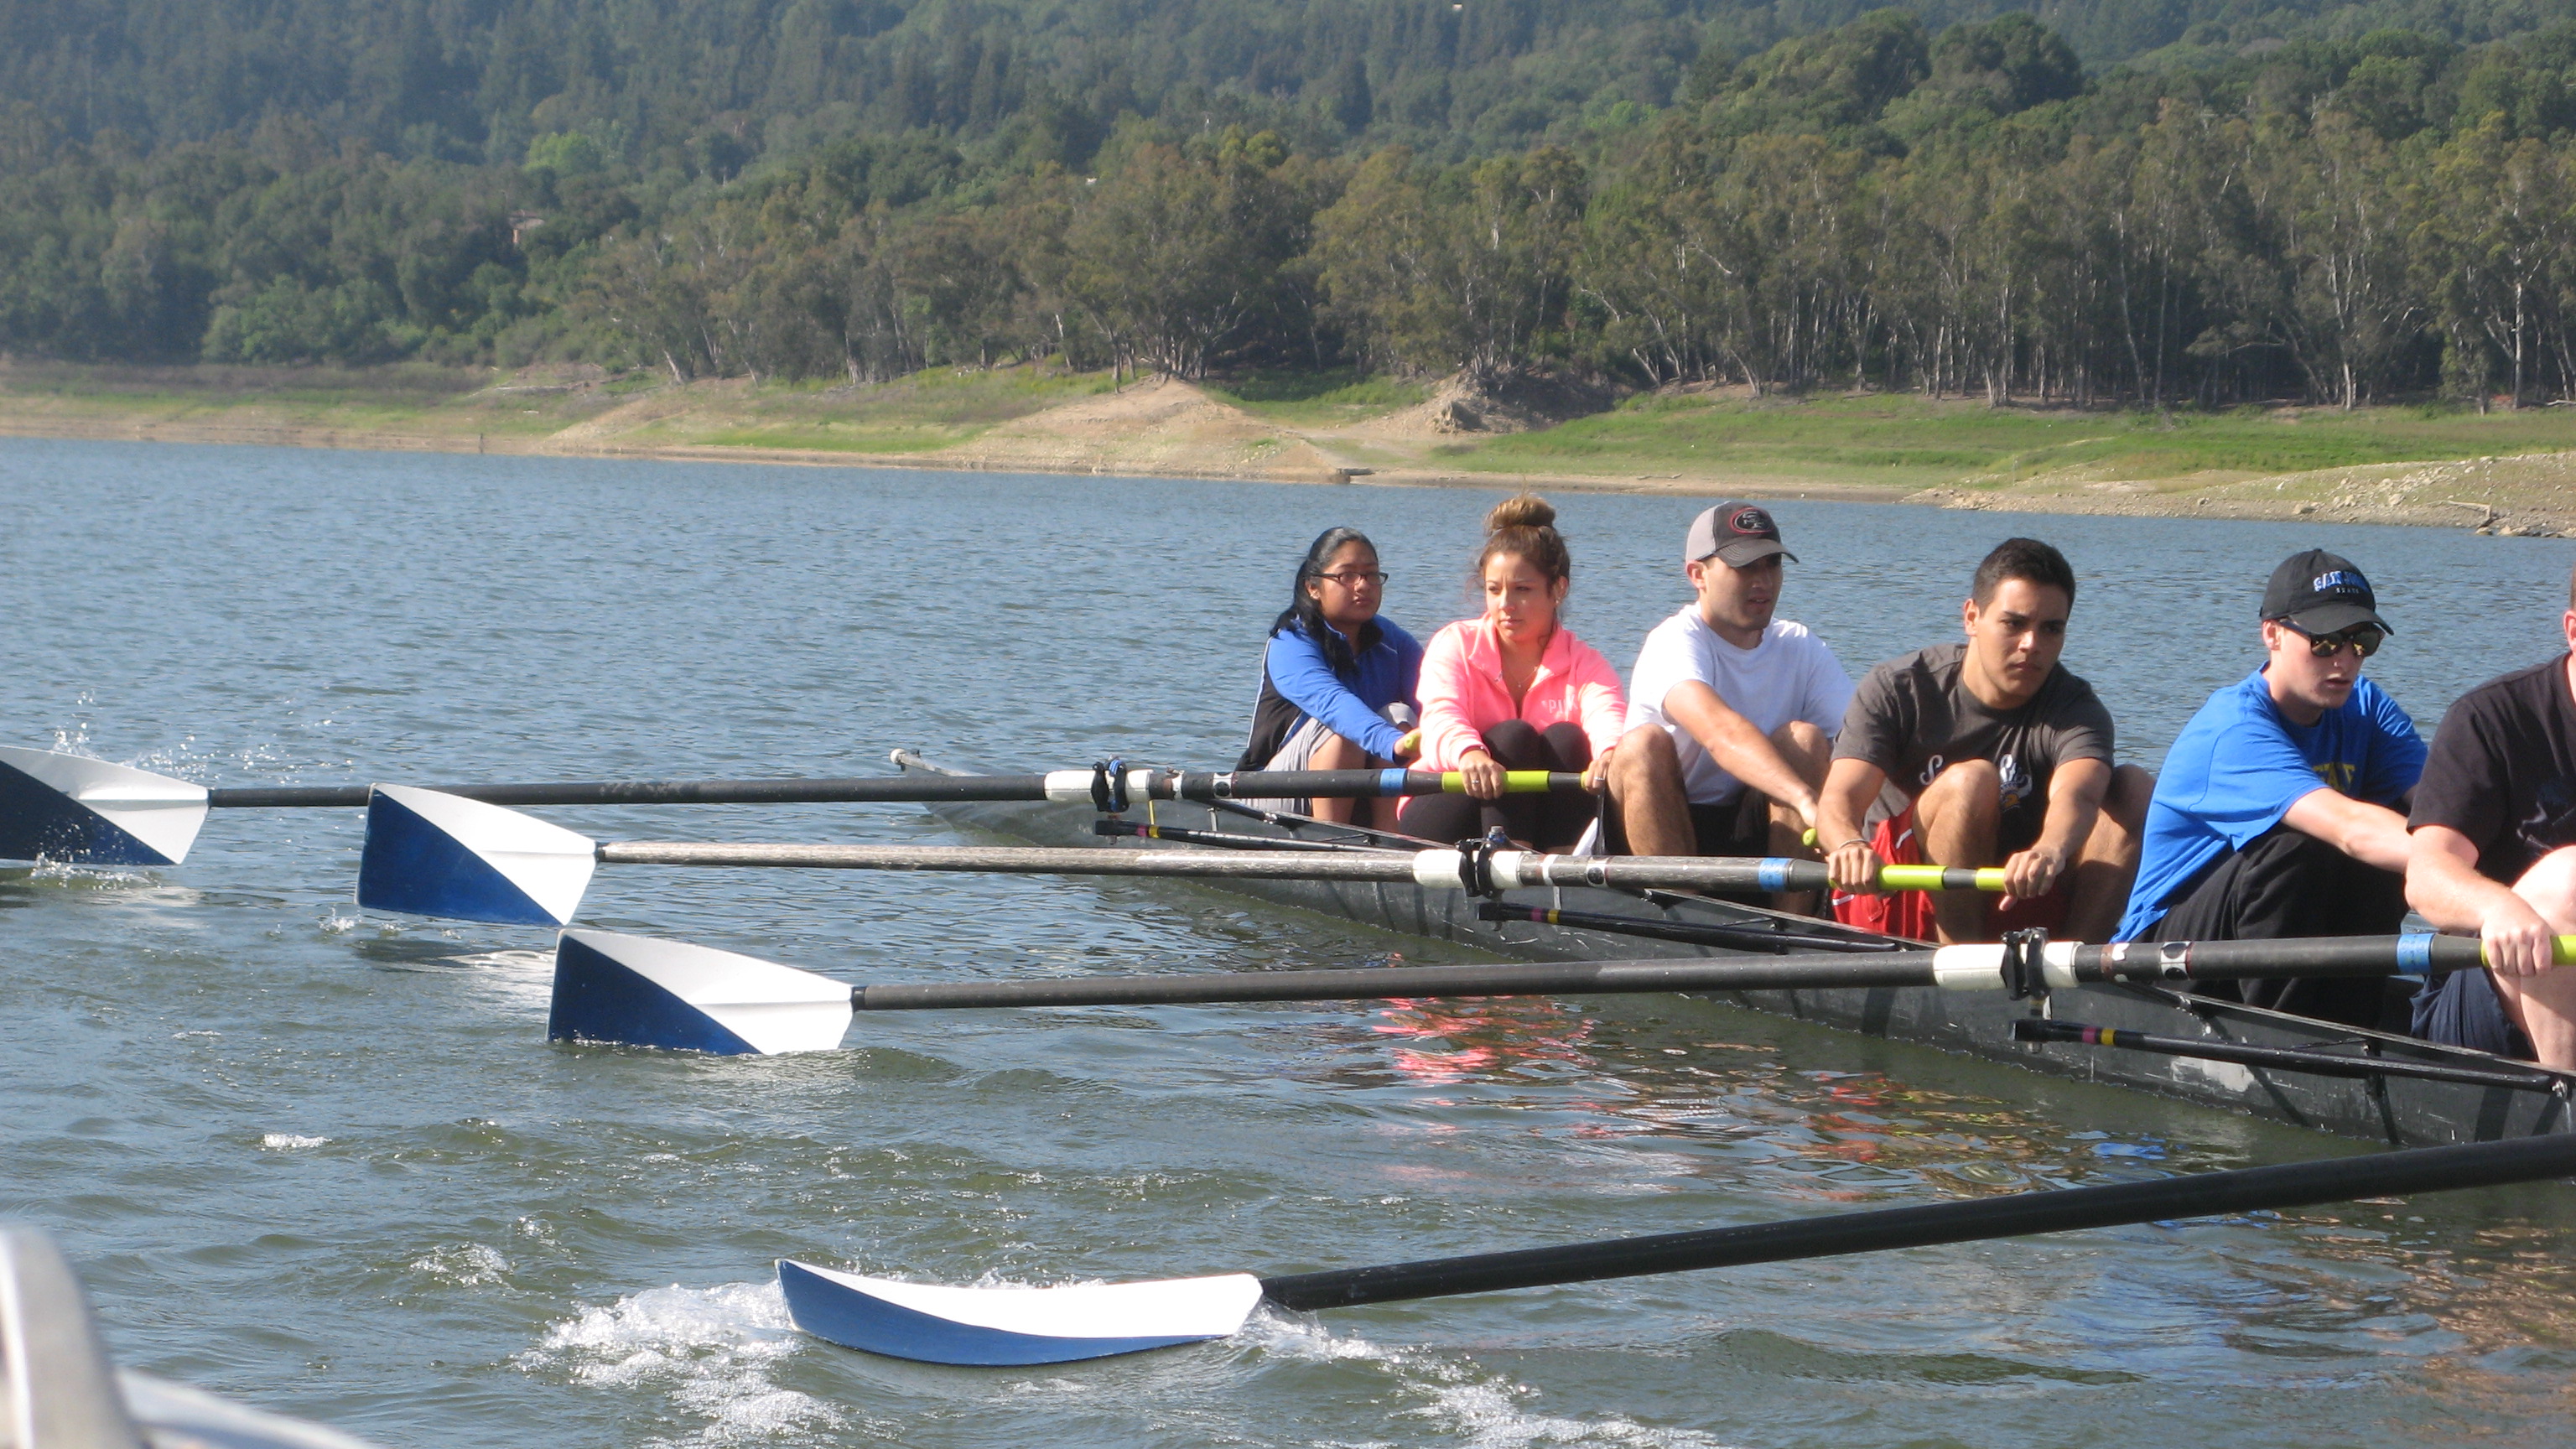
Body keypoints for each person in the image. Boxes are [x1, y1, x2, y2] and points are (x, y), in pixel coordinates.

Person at [2113, 550, 2423, 1027]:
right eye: (2324, 642)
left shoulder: (2367, 707)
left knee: (2403, 847)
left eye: (2361, 641)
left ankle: (2349, 1018)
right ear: (2272, 634)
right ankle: (2283, 1032)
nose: (2344, 659)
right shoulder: (2233, 729)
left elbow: (2441, 812)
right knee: (2303, 842)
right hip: (2164, 955)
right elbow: (2351, 829)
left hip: (2275, 930)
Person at [1817, 537, 2153, 944]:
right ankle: (1964, 965)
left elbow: (2078, 796)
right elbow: (1838, 800)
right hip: (1897, 897)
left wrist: (2049, 850)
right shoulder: (1899, 687)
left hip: (2010, 894)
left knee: (2134, 788)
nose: (2032, 644)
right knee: (1972, 780)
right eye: (2014, 624)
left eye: (2051, 628)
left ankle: (2076, 968)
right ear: (1972, 617)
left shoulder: (2076, 708)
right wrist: (1848, 845)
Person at [1607, 502, 1851, 912]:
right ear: (1697, 575)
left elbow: (1860, 742)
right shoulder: (1673, 642)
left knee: (1806, 740)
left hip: (1757, 829)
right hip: (1663, 826)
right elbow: (1721, 734)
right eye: (1745, 567)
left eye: (1772, 564)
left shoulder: (1800, 645)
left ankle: (1793, 932)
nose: (1764, 581)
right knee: (1642, 745)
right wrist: (1809, 801)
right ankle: (1682, 920)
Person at [2406, 564, 2576, 1069]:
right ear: (2573, 630)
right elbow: (2426, 876)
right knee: (2569, 880)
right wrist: (2498, 909)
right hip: (2481, 998)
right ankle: (2566, 1110)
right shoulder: (2490, 720)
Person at [1399, 495, 1626, 850]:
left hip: (1544, 819)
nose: (1505, 604)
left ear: (1558, 590)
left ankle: (1558, 865)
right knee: (1512, 737)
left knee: (1568, 737)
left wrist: (1611, 752)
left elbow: (1607, 713)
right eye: (1494, 590)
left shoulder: (1586, 662)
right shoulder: (1455, 643)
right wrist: (1469, 754)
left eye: (1522, 590)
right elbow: (1442, 715)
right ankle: (1512, 866)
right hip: (1448, 800)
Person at [1238, 526, 1424, 827]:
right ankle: (1329, 843)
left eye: (1371, 575)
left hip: (1362, 781)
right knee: (1340, 729)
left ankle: (1393, 840)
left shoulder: (1394, 641)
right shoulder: (1291, 642)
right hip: (1270, 794)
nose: (1363, 585)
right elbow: (1334, 704)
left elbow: (1435, 697)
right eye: (1347, 576)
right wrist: (1393, 743)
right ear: (1313, 587)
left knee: (1400, 713)